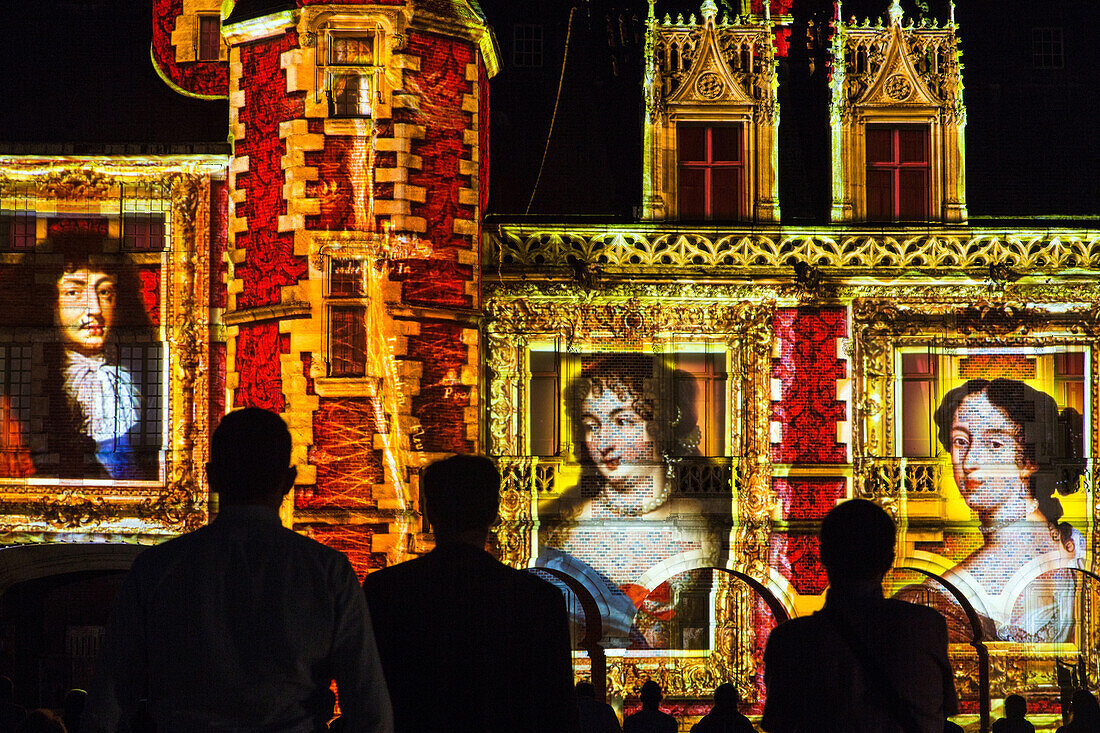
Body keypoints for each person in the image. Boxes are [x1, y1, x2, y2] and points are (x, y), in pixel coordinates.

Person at [82, 407, 392, 732]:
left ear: (211, 476)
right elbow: (371, 712)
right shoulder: (329, 573)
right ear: (288, 481)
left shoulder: (156, 569)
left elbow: (108, 704)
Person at [362, 454, 578, 733]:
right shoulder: (537, 599)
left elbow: (366, 695)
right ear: (494, 512)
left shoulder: (385, 591)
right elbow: (558, 711)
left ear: (430, 512)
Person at [537, 354, 730, 649]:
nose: (604, 442)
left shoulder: (706, 526)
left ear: (661, 425)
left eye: (622, 421)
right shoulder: (565, 532)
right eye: (592, 425)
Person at [901, 378, 1085, 643]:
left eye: (994, 444)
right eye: (961, 441)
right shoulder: (1071, 540)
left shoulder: (944, 592)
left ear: (1029, 461)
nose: (971, 461)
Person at [761, 499, 957, 732]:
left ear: (823, 554)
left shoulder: (791, 641)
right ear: (888, 558)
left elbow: (777, 723)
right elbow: (946, 709)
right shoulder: (925, 627)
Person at [0, 233, 160, 479]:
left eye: (105, 292)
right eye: (74, 293)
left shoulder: (150, 379)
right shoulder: (14, 399)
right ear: (47, 302)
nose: (94, 309)